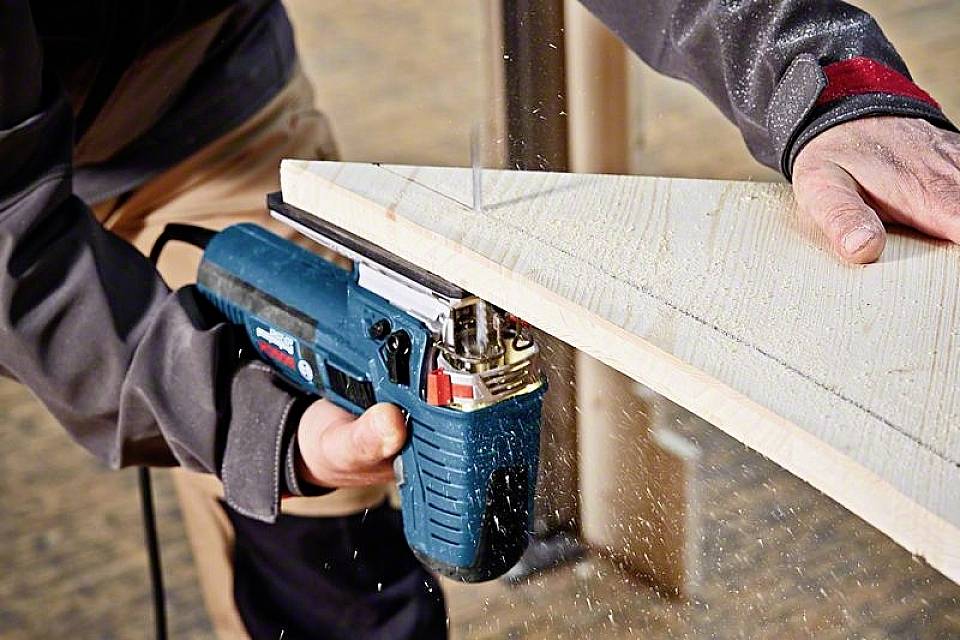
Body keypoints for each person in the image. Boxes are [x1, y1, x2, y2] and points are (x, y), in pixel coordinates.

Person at [1, 1, 957, 638]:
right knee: (260, 437)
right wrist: (243, 423)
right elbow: (16, 253)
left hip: (190, 87)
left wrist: (826, 87)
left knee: (328, 537)